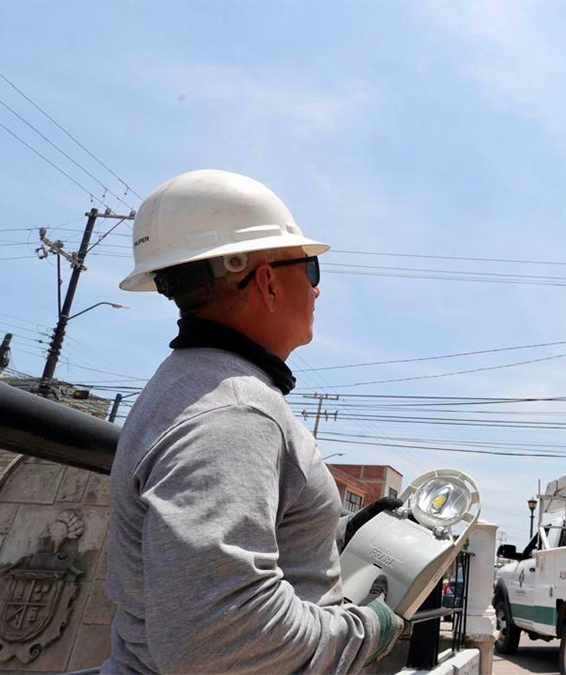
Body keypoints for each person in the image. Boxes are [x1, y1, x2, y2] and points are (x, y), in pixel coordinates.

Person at [102, 169, 403, 673]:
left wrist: (332, 527)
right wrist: (368, 628)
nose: (317, 291)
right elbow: (223, 638)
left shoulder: (190, 386)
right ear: (266, 280)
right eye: (311, 270)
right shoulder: (236, 413)